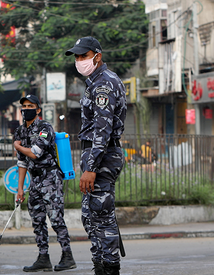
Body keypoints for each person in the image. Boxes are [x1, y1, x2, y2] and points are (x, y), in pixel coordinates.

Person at [66, 37, 126, 275]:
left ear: (97, 56)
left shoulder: (103, 84)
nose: (79, 61)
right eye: (77, 57)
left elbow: (103, 129)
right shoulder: (95, 82)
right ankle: (100, 264)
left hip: (102, 155)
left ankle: (110, 268)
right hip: (96, 154)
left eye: (84, 56)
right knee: (90, 215)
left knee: (101, 214)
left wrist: (91, 167)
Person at [13, 94, 75, 272]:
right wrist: (20, 189)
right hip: (35, 179)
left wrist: (17, 146)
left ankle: (67, 255)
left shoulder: (45, 127)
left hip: (50, 177)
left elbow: (35, 152)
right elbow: (23, 162)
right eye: (24, 106)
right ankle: (43, 257)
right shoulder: (20, 131)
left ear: (38, 109)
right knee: (37, 218)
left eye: (30, 106)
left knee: (55, 217)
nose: (26, 109)